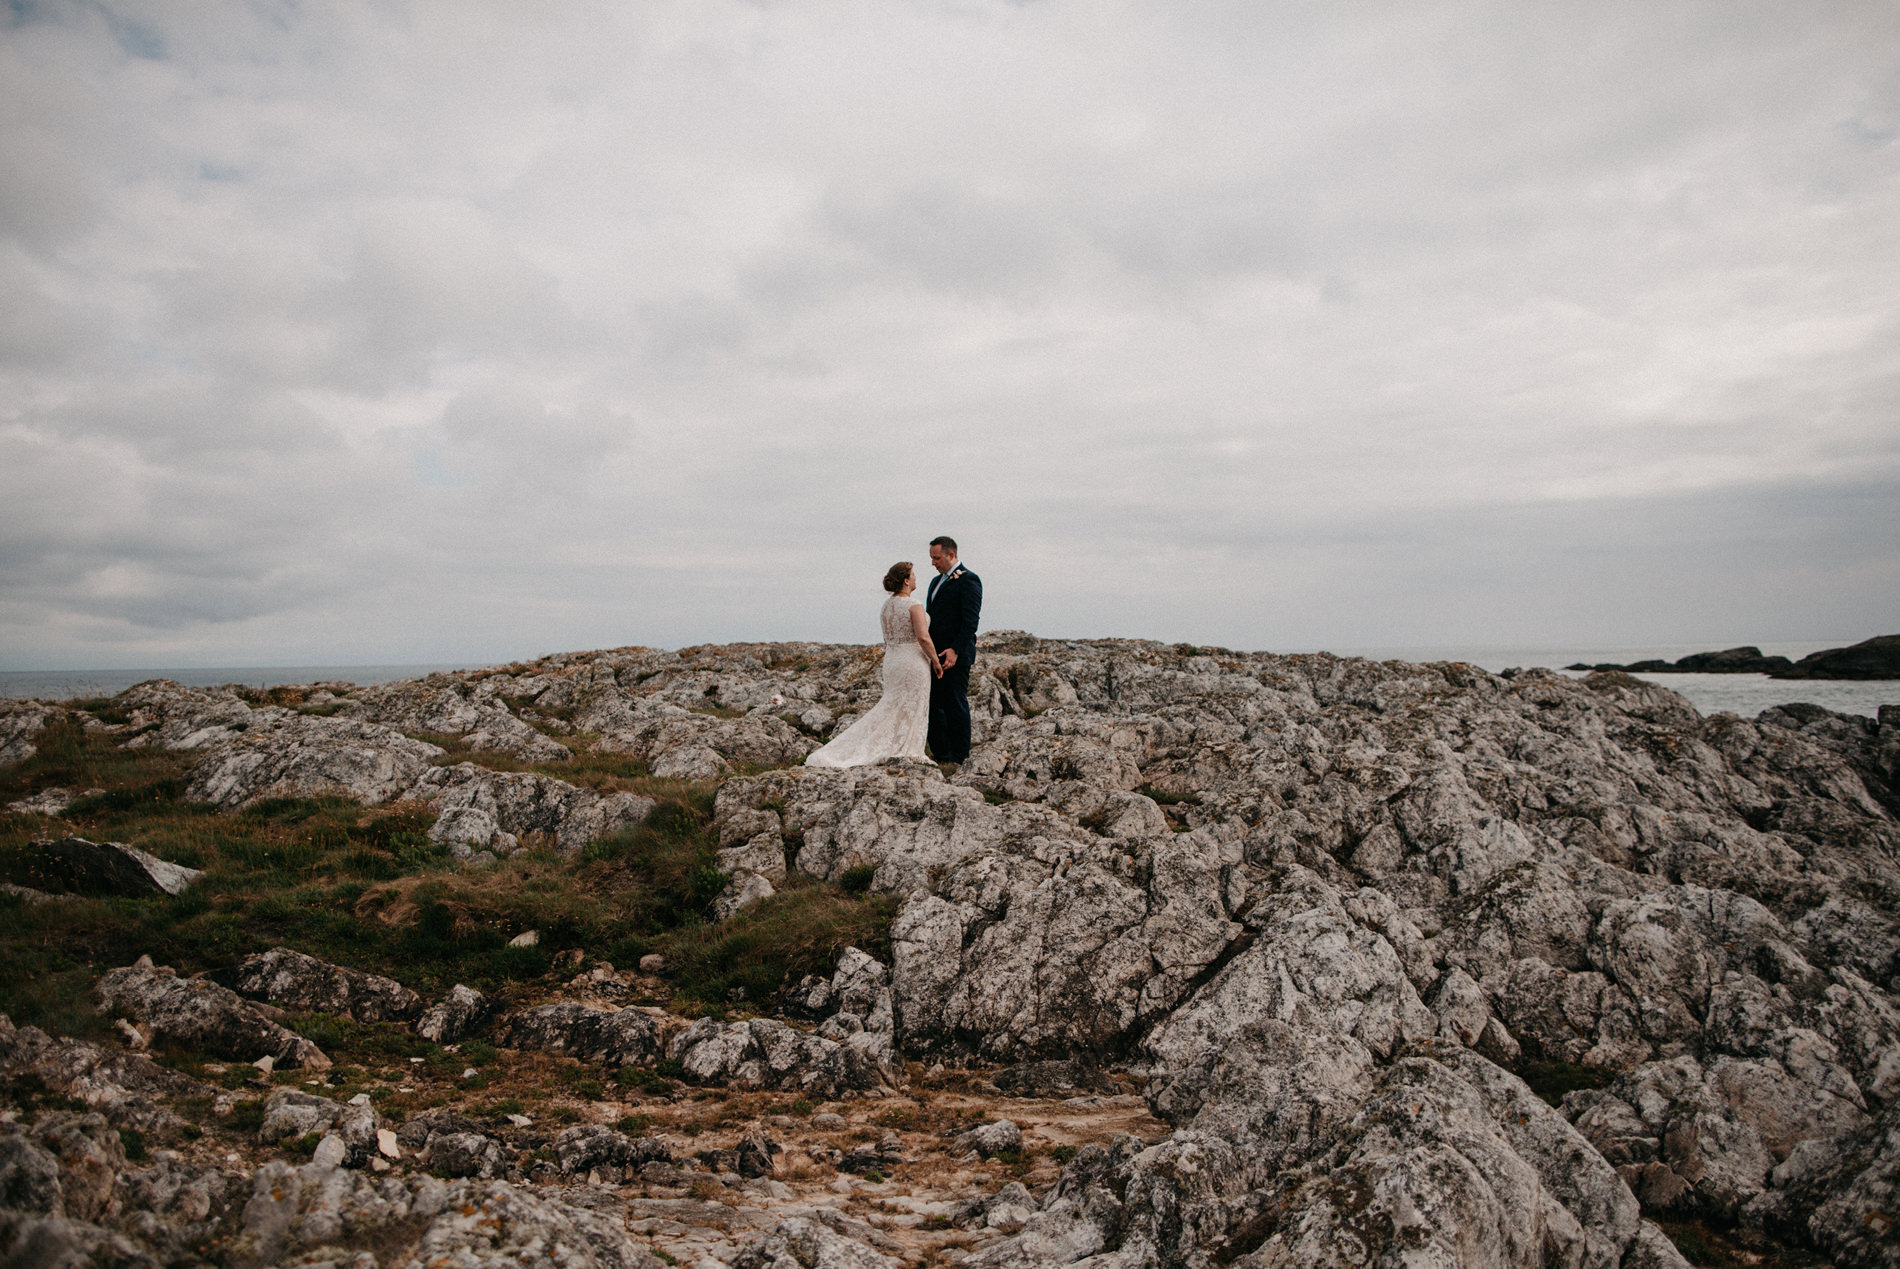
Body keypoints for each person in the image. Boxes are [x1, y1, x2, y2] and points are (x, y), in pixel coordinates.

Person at [804, 562, 942, 768]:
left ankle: (893, 744)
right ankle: (906, 746)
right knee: (910, 704)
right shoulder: (914, 605)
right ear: (906, 580)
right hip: (912, 660)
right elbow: (923, 637)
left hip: (893, 659)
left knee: (892, 703)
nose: (916, 578)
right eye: (913, 575)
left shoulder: (887, 606)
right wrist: (936, 661)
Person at [924, 535, 982, 765]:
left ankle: (960, 756)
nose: (933, 563)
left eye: (936, 558)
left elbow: (970, 622)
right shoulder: (935, 582)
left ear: (951, 555)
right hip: (935, 655)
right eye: (931, 558)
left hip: (956, 655)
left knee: (955, 703)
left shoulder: (969, 580)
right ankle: (941, 753)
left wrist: (955, 650)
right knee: (934, 703)